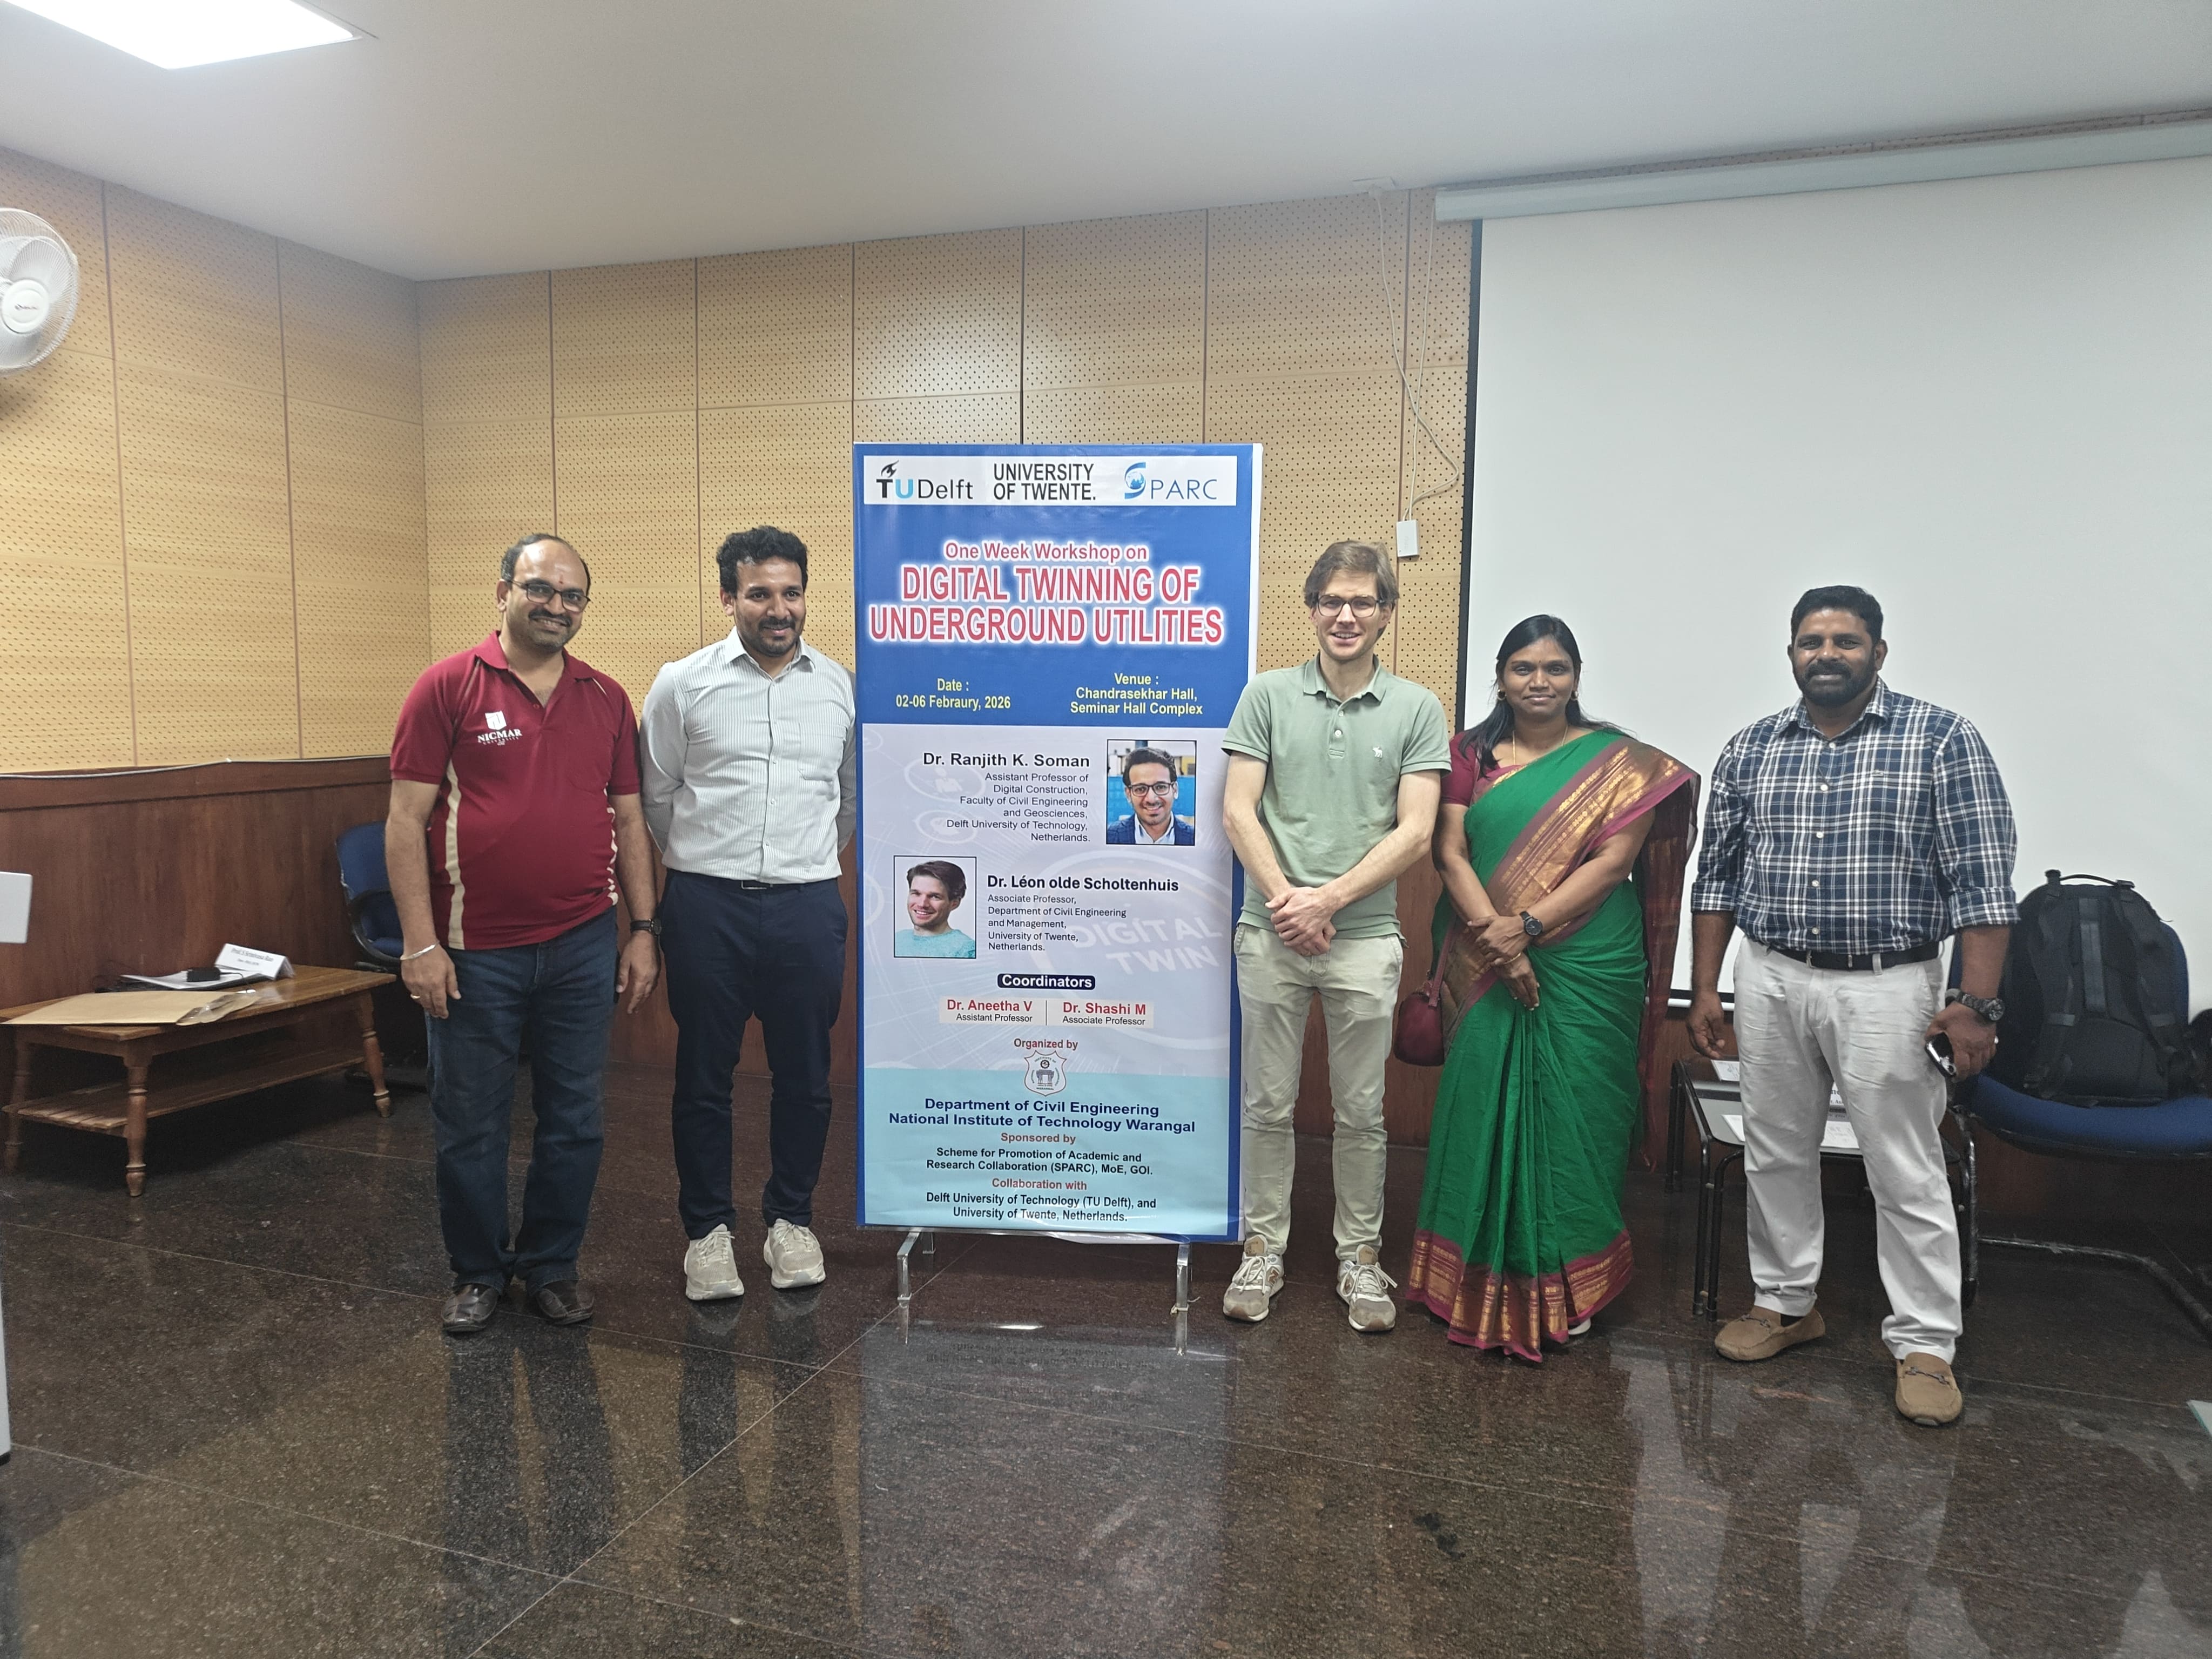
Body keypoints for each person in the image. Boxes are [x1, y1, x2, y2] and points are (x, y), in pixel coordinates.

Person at [1688, 585, 2017, 1428]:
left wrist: (1975, 1003)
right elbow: (1717, 877)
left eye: (1845, 641)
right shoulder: (1752, 747)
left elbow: (1984, 886)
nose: (1826, 654)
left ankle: (1925, 1344)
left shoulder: (1941, 739)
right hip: (1771, 976)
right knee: (1774, 1149)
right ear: (1791, 654)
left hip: (1889, 985)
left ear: (1878, 651)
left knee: (1902, 1164)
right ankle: (1785, 1303)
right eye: (1811, 641)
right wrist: (1707, 986)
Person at [387, 532, 662, 1336]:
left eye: (572, 596)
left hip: (582, 942)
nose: (556, 606)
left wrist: (643, 929)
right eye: (540, 589)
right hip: (474, 950)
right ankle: (477, 1271)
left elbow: (630, 821)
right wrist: (419, 945)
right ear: (503, 591)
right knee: (470, 1122)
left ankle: (550, 1267)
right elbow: (404, 823)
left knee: (575, 1118)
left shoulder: (606, 697)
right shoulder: (446, 686)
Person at [1404, 617, 1697, 1359]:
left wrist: (1527, 928)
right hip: (1484, 955)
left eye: (1556, 668)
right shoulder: (1467, 755)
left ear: (1576, 676)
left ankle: (1571, 1284)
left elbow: (1612, 862)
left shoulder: (1620, 762)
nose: (1540, 682)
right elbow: (1449, 852)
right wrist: (1498, 942)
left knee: (1581, 1114)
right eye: (1524, 668)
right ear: (1501, 678)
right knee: (1480, 1106)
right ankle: (1470, 1278)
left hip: (1589, 956)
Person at [1220, 541, 1451, 1331]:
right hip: (1270, 931)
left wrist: (1328, 902)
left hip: (1365, 937)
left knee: (1361, 1112)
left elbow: (1415, 830)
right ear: (1311, 608)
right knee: (1266, 1103)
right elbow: (1237, 811)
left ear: (1387, 613)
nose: (1345, 615)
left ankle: (1359, 1258)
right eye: (1331, 601)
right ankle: (1263, 1249)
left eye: (1362, 602)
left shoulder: (1417, 707)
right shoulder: (1265, 695)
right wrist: (1289, 902)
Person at [640, 525, 857, 1301]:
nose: (778, 608)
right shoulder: (682, 683)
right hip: (707, 907)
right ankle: (708, 1233)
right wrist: (712, 862)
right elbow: (658, 796)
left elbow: (846, 800)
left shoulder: (840, 687)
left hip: (807, 906)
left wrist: (797, 865)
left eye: (791, 593)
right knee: (704, 1077)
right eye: (759, 593)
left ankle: (791, 1220)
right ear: (729, 598)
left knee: (806, 1077)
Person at [1105, 748, 1196, 845]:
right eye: (1141, 789)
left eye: (1160, 787)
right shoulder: (1109, 837)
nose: (1151, 799)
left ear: (1175, 790)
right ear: (1128, 794)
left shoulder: (1196, 839)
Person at [894, 861, 977, 957]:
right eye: (916, 894)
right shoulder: (897, 939)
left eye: (934, 897)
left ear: (954, 904)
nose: (922, 904)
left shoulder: (966, 950)